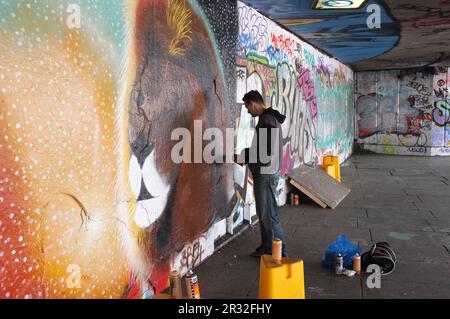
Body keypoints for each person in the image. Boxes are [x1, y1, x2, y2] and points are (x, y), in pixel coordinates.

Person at [236, 90, 288, 258]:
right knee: (265, 213)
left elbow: (265, 153)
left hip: (265, 174)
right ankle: (267, 247)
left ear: (253, 103)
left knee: (269, 214)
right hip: (268, 172)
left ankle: (281, 254)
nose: (248, 111)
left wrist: (245, 156)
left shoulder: (266, 120)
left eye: (247, 107)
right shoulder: (270, 118)